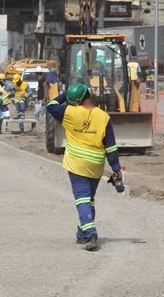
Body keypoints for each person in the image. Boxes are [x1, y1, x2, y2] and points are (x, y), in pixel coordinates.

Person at [46, 82, 124, 252]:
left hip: (77, 163)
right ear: (89, 95)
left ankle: (91, 233)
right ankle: (82, 235)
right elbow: (110, 147)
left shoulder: (69, 112)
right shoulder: (103, 117)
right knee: (89, 199)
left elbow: (51, 105)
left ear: (75, 100)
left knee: (82, 199)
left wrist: (65, 95)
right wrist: (116, 167)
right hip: (96, 165)